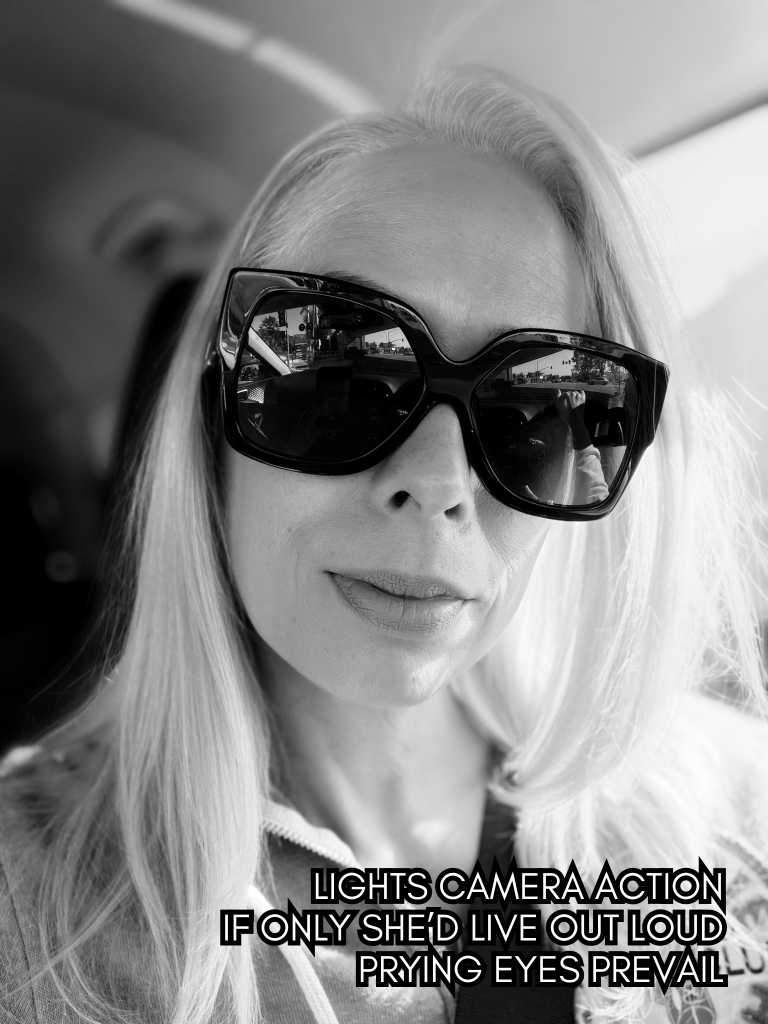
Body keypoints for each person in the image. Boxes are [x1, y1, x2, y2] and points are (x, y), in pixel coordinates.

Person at [1, 64, 767, 1024]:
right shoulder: (26, 905)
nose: (440, 483)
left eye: (534, 408)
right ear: (211, 421)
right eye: (342, 378)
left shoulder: (733, 817)